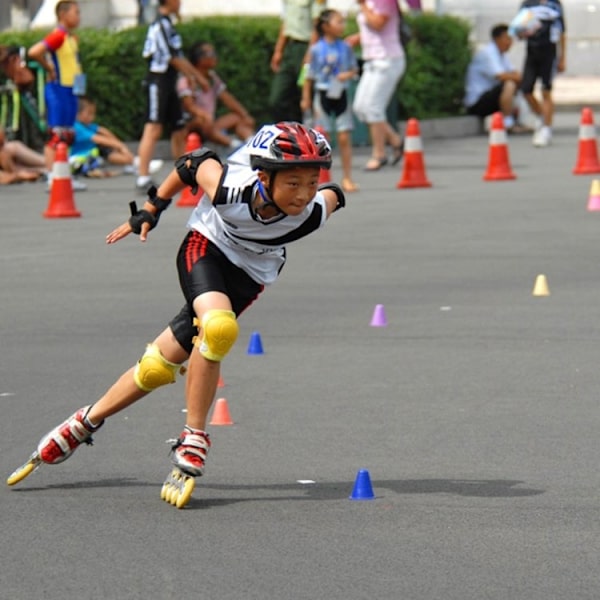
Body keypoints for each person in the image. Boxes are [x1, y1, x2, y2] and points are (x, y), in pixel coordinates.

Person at [7, 122, 346, 509]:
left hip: (249, 275)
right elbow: (193, 161)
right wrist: (151, 209)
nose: (303, 195)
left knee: (158, 365)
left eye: (310, 181)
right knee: (217, 328)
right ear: (263, 176)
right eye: (292, 183)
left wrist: (325, 190)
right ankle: (194, 438)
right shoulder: (229, 189)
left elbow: (333, 194)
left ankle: (84, 421)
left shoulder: (314, 211)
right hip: (206, 247)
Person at [135, 0, 210, 193]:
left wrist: (192, 76)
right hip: (158, 81)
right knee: (153, 127)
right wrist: (195, 76)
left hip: (170, 80)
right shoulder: (159, 24)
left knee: (179, 127)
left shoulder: (169, 24)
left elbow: (179, 56)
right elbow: (173, 57)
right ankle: (143, 176)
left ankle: (183, 172)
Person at [27, 0, 87, 191]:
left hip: (71, 90)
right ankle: (52, 176)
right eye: (75, 13)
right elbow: (34, 52)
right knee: (56, 134)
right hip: (58, 90)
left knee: (67, 134)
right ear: (63, 14)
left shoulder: (71, 38)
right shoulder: (58, 36)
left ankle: (64, 175)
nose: (78, 17)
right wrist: (48, 68)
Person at [301, 9, 359, 193]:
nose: (342, 26)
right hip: (323, 92)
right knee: (321, 138)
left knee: (344, 137)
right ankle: (320, 178)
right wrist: (305, 97)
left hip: (340, 92)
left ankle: (348, 177)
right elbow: (308, 75)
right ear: (326, 26)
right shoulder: (316, 49)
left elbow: (354, 69)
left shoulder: (346, 47)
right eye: (338, 22)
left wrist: (346, 75)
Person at [350, 0, 405, 171]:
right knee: (361, 108)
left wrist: (363, 6)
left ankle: (379, 154)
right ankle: (395, 140)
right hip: (372, 60)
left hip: (388, 59)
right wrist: (357, 38)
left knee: (374, 108)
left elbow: (379, 24)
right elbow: (372, 29)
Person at [175, 41, 256, 152]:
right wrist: (204, 115)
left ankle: (251, 142)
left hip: (211, 123)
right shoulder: (187, 80)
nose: (215, 57)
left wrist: (245, 115)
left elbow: (227, 98)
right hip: (193, 124)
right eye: (211, 54)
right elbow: (189, 106)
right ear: (199, 59)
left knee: (238, 117)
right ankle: (235, 145)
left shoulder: (212, 77)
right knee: (203, 121)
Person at [513, 0, 566, 147]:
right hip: (532, 51)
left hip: (549, 52)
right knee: (526, 89)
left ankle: (546, 128)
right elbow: (518, 30)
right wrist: (522, 31)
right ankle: (542, 117)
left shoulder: (555, 4)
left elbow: (562, 31)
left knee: (546, 90)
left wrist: (563, 57)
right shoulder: (527, 4)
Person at [70, 96, 163, 177]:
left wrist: (119, 146)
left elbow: (103, 131)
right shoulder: (76, 126)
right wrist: (120, 146)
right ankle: (138, 163)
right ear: (78, 114)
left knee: (106, 147)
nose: (92, 117)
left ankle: (136, 163)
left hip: (88, 157)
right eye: (89, 113)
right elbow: (99, 139)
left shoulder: (87, 125)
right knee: (103, 148)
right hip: (76, 160)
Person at [464, 24, 530, 134]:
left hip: (491, 98)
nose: (510, 43)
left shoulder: (502, 55)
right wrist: (519, 77)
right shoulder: (488, 53)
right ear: (497, 39)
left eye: (511, 39)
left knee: (518, 84)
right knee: (509, 84)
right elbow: (501, 76)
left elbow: (514, 72)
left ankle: (517, 121)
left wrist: (521, 78)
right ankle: (508, 123)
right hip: (477, 102)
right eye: (507, 39)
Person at [269, 0, 325, 123]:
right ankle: (285, 133)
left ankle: (305, 135)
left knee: (304, 96)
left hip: (306, 47)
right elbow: (286, 22)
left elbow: (318, 26)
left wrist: (310, 53)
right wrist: (279, 50)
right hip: (290, 47)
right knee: (278, 97)